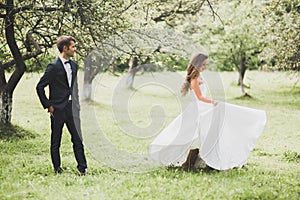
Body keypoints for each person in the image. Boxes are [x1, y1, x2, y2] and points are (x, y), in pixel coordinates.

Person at [149, 52, 267, 171]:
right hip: (197, 108)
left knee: (217, 119)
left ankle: (210, 156)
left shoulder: (199, 77)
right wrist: (212, 102)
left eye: (206, 64)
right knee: (195, 130)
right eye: (203, 64)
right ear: (197, 64)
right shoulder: (194, 79)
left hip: (202, 106)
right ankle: (196, 158)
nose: (204, 67)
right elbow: (199, 97)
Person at [36, 36, 87, 175]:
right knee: (56, 141)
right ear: (65, 48)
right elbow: (40, 87)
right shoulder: (53, 67)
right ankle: (57, 169)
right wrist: (48, 105)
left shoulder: (74, 66)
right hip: (57, 110)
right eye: (73, 46)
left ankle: (83, 168)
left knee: (77, 140)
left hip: (72, 109)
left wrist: (77, 106)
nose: (75, 49)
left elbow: (74, 87)